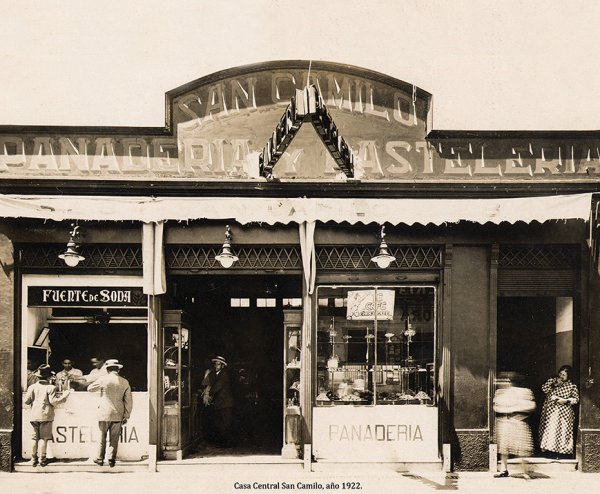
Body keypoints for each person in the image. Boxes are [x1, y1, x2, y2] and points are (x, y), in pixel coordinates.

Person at [87, 359, 133, 467]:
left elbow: (90, 388)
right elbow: (128, 401)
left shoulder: (103, 380)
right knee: (114, 438)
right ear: (118, 370)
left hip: (103, 413)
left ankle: (99, 458)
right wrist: (127, 415)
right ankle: (111, 459)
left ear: (107, 369)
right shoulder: (124, 382)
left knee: (101, 437)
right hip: (118, 413)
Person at [24, 364, 71, 467]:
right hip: (45, 416)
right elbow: (53, 402)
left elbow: (26, 401)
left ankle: (33, 459)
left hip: (33, 416)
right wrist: (64, 396)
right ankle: (42, 459)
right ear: (49, 376)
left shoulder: (32, 387)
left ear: (38, 376)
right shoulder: (51, 387)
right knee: (44, 439)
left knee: (34, 439)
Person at [493, 372, 536, 478]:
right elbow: (495, 407)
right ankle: (504, 470)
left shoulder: (525, 392)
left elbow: (531, 406)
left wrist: (513, 409)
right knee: (503, 447)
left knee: (522, 447)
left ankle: (525, 471)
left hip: (519, 421)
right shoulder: (500, 392)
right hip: (504, 421)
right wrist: (509, 409)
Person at [539, 364, 579, 458]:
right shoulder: (552, 381)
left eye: (564, 375)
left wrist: (565, 400)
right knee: (550, 430)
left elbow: (576, 399)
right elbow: (544, 389)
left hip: (564, 412)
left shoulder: (572, 385)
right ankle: (548, 451)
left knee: (561, 431)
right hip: (551, 411)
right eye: (560, 374)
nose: (561, 376)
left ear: (569, 376)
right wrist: (554, 385)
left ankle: (560, 453)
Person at [201, 355, 234, 448]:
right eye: (215, 364)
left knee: (225, 423)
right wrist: (206, 375)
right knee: (218, 423)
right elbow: (205, 383)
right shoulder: (213, 374)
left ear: (222, 366)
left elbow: (217, 387)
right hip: (218, 403)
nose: (216, 366)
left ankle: (227, 444)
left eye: (218, 364)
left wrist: (208, 393)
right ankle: (222, 443)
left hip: (226, 403)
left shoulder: (224, 375)